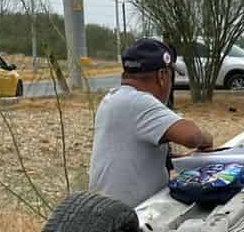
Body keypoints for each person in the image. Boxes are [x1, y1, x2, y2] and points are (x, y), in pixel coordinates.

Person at [88, 37, 214, 207]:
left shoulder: (113, 99)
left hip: (107, 211)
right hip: (129, 218)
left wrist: (173, 160)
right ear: (162, 76)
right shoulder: (139, 102)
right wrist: (207, 139)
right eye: (171, 76)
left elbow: (129, 153)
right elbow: (192, 136)